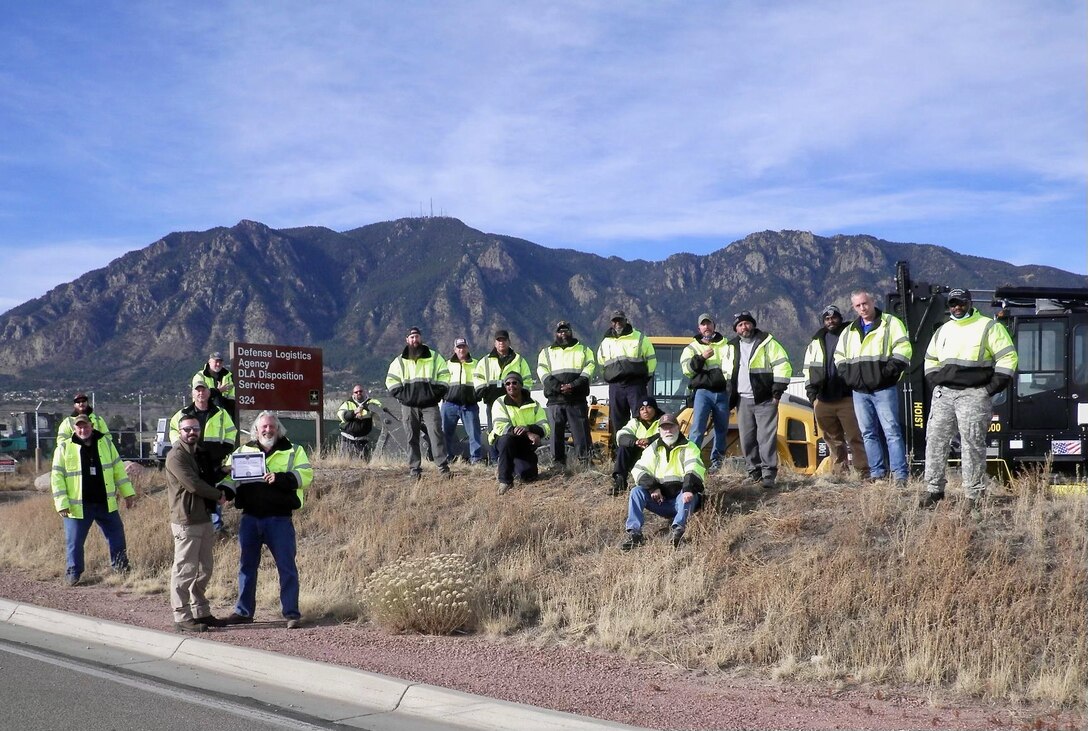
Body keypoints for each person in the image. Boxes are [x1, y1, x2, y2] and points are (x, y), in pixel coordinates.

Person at [920, 288, 1017, 510]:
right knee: (935, 441)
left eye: (961, 303)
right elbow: (930, 360)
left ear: (969, 303)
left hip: (974, 395)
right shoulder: (943, 330)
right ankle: (934, 491)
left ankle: (973, 497)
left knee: (972, 444)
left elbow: (1008, 358)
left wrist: (988, 389)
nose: (957, 307)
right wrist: (936, 385)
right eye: (953, 303)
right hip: (944, 394)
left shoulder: (988, 327)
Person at [221, 412, 313, 629]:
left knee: (287, 567)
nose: (268, 430)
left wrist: (280, 478)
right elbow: (229, 477)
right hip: (250, 518)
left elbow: (307, 476)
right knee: (246, 566)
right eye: (264, 427)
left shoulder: (294, 450)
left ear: (278, 429)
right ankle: (243, 613)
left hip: (279, 519)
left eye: (272, 427)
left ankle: (291, 613)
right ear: (256, 430)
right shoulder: (243, 451)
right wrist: (224, 491)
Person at [834, 291, 912, 484]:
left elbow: (904, 351)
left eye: (865, 303)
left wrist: (886, 374)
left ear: (872, 301)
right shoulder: (849, 330)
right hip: (860, 392)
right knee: (868, 433)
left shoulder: (891, 323)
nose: (862, 308)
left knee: (892, 431)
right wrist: (851, 378)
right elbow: (839, 358)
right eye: (858, 305)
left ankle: (900, 475)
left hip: (884, 389)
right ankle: (877, 473)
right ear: (853, 307)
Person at [51, 414, 136, 585]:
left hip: (105, 502)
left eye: (86, 426)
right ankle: (73, 573)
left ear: (92, 426)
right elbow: (57, 477)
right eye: (79, 427)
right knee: (74, 542)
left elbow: (118, 469)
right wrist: (62, 504)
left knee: (117, 536)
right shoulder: (64, 448)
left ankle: (121, 568)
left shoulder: (106, 444)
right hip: (78, 506)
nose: (83, 430)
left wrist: (128, 493)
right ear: (74, 429)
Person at [165, 414, 230, 632]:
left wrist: (222, 471)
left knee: (205, 569)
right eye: (187, 429)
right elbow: (193, 484)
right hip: (187, 519)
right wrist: (218, 495)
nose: (191, 432)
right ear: (180, 432)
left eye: (195, 429)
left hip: (203, 517)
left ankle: (201, 611)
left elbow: (206, 477)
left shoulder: (199, 453)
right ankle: (181, 616)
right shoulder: (176, 456)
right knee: (185, 569)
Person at [620, 413, 705, 550]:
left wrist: (688, 488)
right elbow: (638, 469)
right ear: (659, 431)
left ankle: (677, 533)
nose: (668, 431)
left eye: (671, 427)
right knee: (636, 492)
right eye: (664, 428)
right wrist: (653, 488)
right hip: (661, 500)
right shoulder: (653, 448)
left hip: (682, 498)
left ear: (677, 428)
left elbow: (694, 468)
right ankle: (634, 534)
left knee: (686, 496)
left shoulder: (690, 447)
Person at [803, 305, 869, 478]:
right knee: (833, 440)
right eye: (827, 318)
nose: (831, 321)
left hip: (848, 397)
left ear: (840, 318)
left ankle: (863, 472)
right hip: (823, 399)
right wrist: (812, 396)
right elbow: (808, 369)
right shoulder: (816, 342)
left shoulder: (851, 335)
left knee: (856, 437)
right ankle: (840, 473)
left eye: (834, 317)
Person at [728, 311, 792, 489]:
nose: (744, 327)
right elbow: (725, 372)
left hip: (765, 400)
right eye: (740, 325)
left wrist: (777, 392)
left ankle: (768, 474)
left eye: (747, 323)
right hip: (742, 400)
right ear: (736, 329)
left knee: (766, 439)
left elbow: (783, 366)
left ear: (753, 325)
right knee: (747, 439)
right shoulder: (731, 347)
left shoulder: (768, 343)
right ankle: (753, 472)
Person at [169, 382, 238, 533]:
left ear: (209, 392)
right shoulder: (181, 414)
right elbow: (173, 430)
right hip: (191, 460)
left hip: (213, 459)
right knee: (195, 489)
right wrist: (182, 449)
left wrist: (225, 449)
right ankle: (197, 523)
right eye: (197, 391)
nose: (201, 393)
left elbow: (231, 432)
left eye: (203, 390)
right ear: (193, 393)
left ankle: (216, 527)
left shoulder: (221, 413)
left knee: (212, 488)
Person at [385, 326, 451, 479]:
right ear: (407, 340)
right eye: (412, 337)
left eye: (417, 336)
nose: (415, 340)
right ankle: (414, 469)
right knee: (411, 436)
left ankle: (443, 468)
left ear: (421, 338)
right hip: (409, 405)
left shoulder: (434, 357)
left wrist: (434, 395)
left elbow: (445, 377)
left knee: (436, 434)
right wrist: (404, 397)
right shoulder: (399, 361)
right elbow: (391, 381)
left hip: (430, 404)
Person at [537, 320, 596, 469]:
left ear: (571, 331)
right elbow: (542, 372)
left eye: (566, 331)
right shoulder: (546, 353)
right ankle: (558, 466)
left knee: (581, 433)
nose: (563, 334)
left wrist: (573, 385)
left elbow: (589, 368)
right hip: (555, 400)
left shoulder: (584, 350)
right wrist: (559, 387)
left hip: (576, 399)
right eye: (560, 331)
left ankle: (585, 464)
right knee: (556, 435)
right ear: (556, 333)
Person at [681, 313, 733, 473]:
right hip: (702, 393)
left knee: (722, 429)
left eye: (709, 324)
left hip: (722, 392)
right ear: (699, 328)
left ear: (714, 326)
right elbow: (687, 370)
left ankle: (717, 462)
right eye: (703, 324)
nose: (706, 327)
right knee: (697, 428)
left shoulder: (727, 346)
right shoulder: (691, 348)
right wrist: (701, 358)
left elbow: (732, 368)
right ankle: (692, 461)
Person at [475, 329, 534, 459]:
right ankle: (497, 461)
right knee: (494, 432)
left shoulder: (519, 360)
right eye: (498, 340)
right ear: (495, 343)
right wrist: (485, 393)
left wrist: (522, 396)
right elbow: (478, 380)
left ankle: (513, 460)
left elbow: (528, 380)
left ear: (509, 341)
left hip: (513, 404)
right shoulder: (485, 361)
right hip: (493, 404)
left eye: (504, 340)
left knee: (512, 431)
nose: (501, 343)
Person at [597, 311, 657, 438]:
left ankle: (640, 452)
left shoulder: (639, 338)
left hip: (635, 385)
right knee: (617, 420)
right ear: (611, 323)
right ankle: (621, 452)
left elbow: (651, 360)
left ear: (626, 320)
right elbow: (601, 364)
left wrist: (644, 379)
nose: (618, 323)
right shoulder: (606, 342)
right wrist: (609, 378)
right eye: (615, 321)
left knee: (641, 418)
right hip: (615, 387)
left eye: (620, 320)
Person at [489, 373, 550, 495]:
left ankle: (511, 466)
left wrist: (531, 430)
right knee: (507, 440)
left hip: (523, 444)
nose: (511, 386)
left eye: (514, 383)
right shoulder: (499, 403)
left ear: (521, 385)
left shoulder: (535, 404)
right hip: (504, 440)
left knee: (528, 476)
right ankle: (505, 481)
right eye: (507, 383)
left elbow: (545, 427)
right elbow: (500, 427)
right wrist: (528, 433)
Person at [442, 338, 484, 464]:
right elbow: (440, 382)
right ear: (454, 349)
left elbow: (482, 382)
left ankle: (476, 460)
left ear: (468, 348)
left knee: (474, 435)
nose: (462, 349)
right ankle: (447, 459)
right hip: (449, 405)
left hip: (469, 405)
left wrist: (477, 397)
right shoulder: (446, 364)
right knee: (445, 434)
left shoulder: (477, 364)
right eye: (459, 347)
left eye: (464, 347)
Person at [611, 397, 663, 496]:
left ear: (655, 409)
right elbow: (621, 435)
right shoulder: (635, 422)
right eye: (642, 409)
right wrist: (635, 442)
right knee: (624, 447)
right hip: (638, 456)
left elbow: (668, 435)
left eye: (649, 407)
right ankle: (619, 481)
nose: (645, 411)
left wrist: (650, 440)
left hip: (656, 458)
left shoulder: (663, 420)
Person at [337, 385, 392, 460]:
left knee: (363, 464)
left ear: (364, 392)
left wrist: (366, 411)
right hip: (347, 438)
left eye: (360, 391)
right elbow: (342, 415)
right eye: (356, 392)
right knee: (344, 462)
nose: (358, 393)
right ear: (353, 394)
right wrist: (354, 413)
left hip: (362, 439)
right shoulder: (347, 404)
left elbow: (380, 410)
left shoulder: (372, 402)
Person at [192, 351, 236, 419]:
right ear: (209, 362)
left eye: (220, 362)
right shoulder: (200, 376)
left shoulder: (228, 376)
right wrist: (218, 391)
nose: (218, 364)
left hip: (225, 412)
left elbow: (231, 397)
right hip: (203, 410)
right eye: (216, 361)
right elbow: (199, 395)